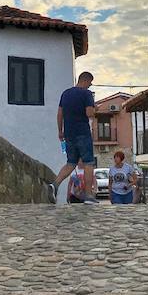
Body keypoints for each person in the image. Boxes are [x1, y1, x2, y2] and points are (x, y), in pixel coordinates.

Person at [54, 72, 99, 204]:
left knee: (71, 163)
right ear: (86, 80)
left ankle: (54, 185)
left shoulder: (65, 93)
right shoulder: (86, 94)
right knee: (88, 162)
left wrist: (60, 131)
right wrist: (96, 110)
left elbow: (59, 113)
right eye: (90, 83)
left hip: (68, 133)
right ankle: (88, 195)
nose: (90, 85)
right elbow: (89, 113)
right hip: (82, 132)